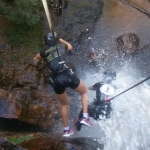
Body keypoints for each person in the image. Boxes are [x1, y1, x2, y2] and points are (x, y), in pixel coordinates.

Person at [33, 32, 92, 137]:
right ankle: (85, 117)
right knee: (84, 92)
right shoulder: (61, 45)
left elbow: (36, 58)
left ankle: (66, 129)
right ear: (56, 40)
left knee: (64, 104)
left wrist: (39, 61)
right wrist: (61, 40)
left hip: (56, 80)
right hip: (66, 74)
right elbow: (70, 47)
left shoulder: (44, 51)